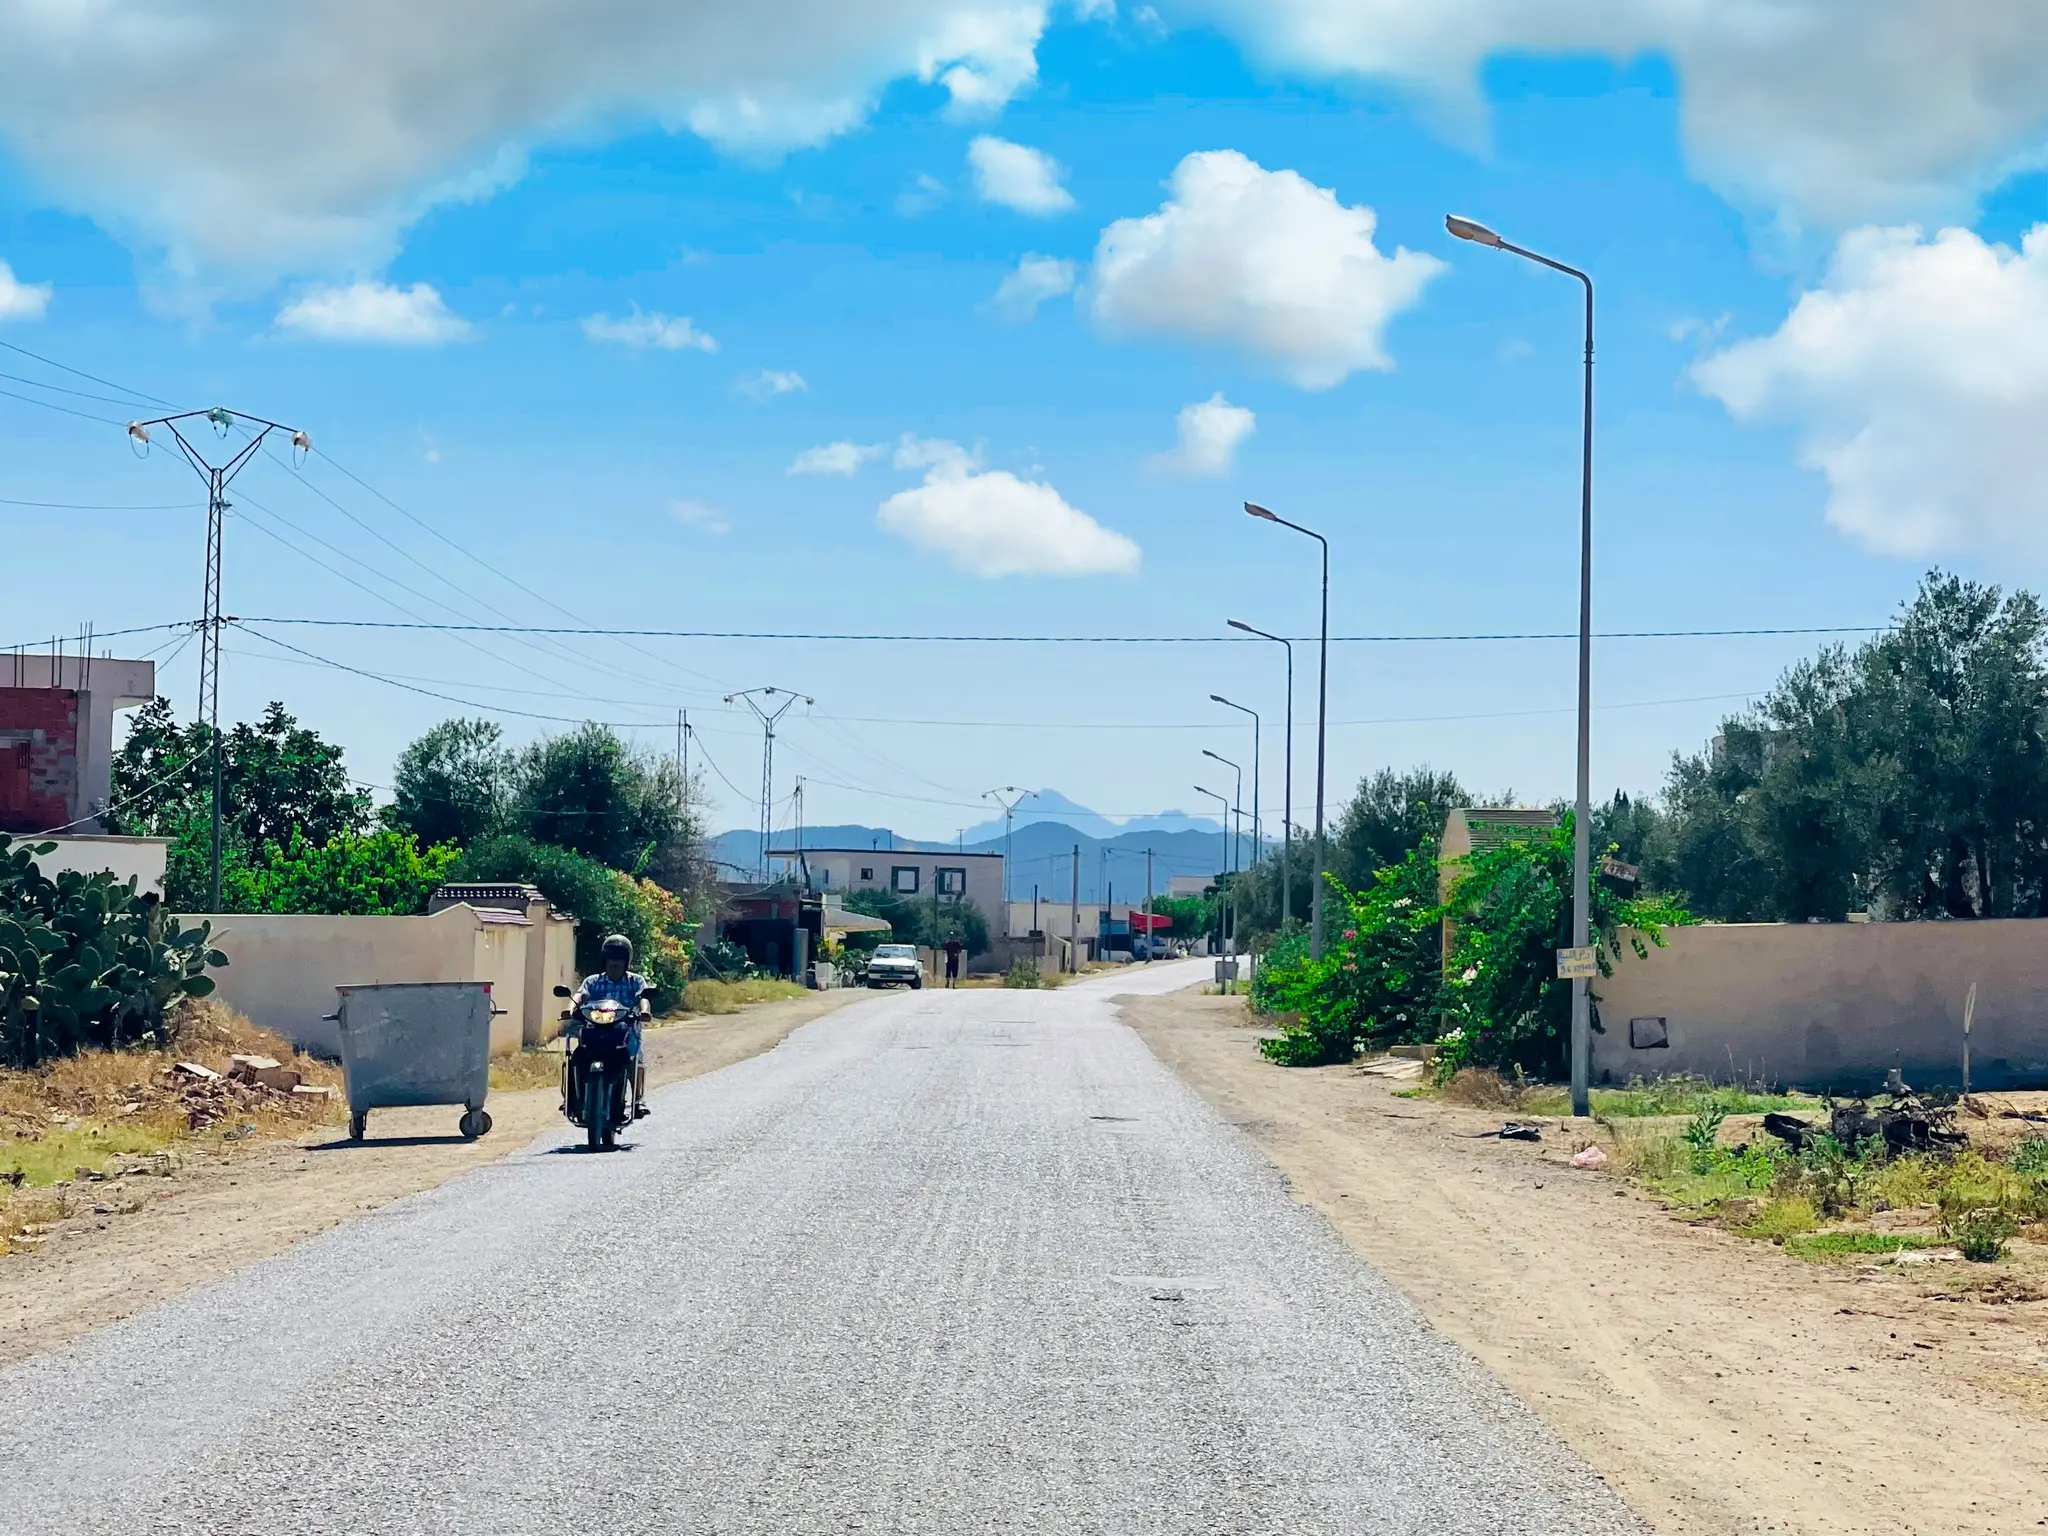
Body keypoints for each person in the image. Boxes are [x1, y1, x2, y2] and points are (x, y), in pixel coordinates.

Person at [572, 933, 652, 1119]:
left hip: (624, 1032)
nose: (614, 962)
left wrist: (645, 1011)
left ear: (627, 960)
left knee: (635, 1059)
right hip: (595, 1031)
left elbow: (643, 998)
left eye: (619, 958)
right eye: (610, 958)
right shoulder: (592, 981)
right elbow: (580, 995)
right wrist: (569, 1008)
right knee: (576, 1058)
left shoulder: (635, 981)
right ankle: (574, 1099)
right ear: (604, 959)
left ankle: (638, 1101)